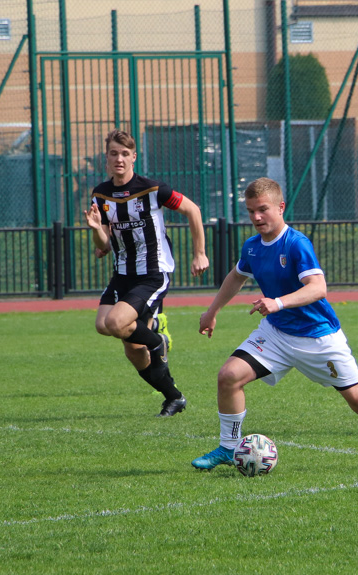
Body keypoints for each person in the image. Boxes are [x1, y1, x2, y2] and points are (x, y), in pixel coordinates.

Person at [191, 177, 358, 471]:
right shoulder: (252, 247)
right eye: (250, 211)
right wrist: (212, 311)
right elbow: (236, 276)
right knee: (228, 376)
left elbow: (318, 287)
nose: (256, 217)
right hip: (276, 335)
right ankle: (227, 447)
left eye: (263, 209)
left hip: (318, 338)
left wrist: (278, 302)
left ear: (281, 207)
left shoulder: (296, 244)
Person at [85, 129, 208, 416]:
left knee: (117, 323)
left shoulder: (153, 189)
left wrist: (199, 253)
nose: (119, 159)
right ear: (107, 157)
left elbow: (193, 210)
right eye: (114, 153)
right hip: (122, 274)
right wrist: (95, 231)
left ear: (134, 157)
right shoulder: (101, 193)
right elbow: (103, 244)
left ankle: (156, 339)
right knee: (114, 334)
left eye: (125, 154)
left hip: (153, 272)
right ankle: (173, 397)